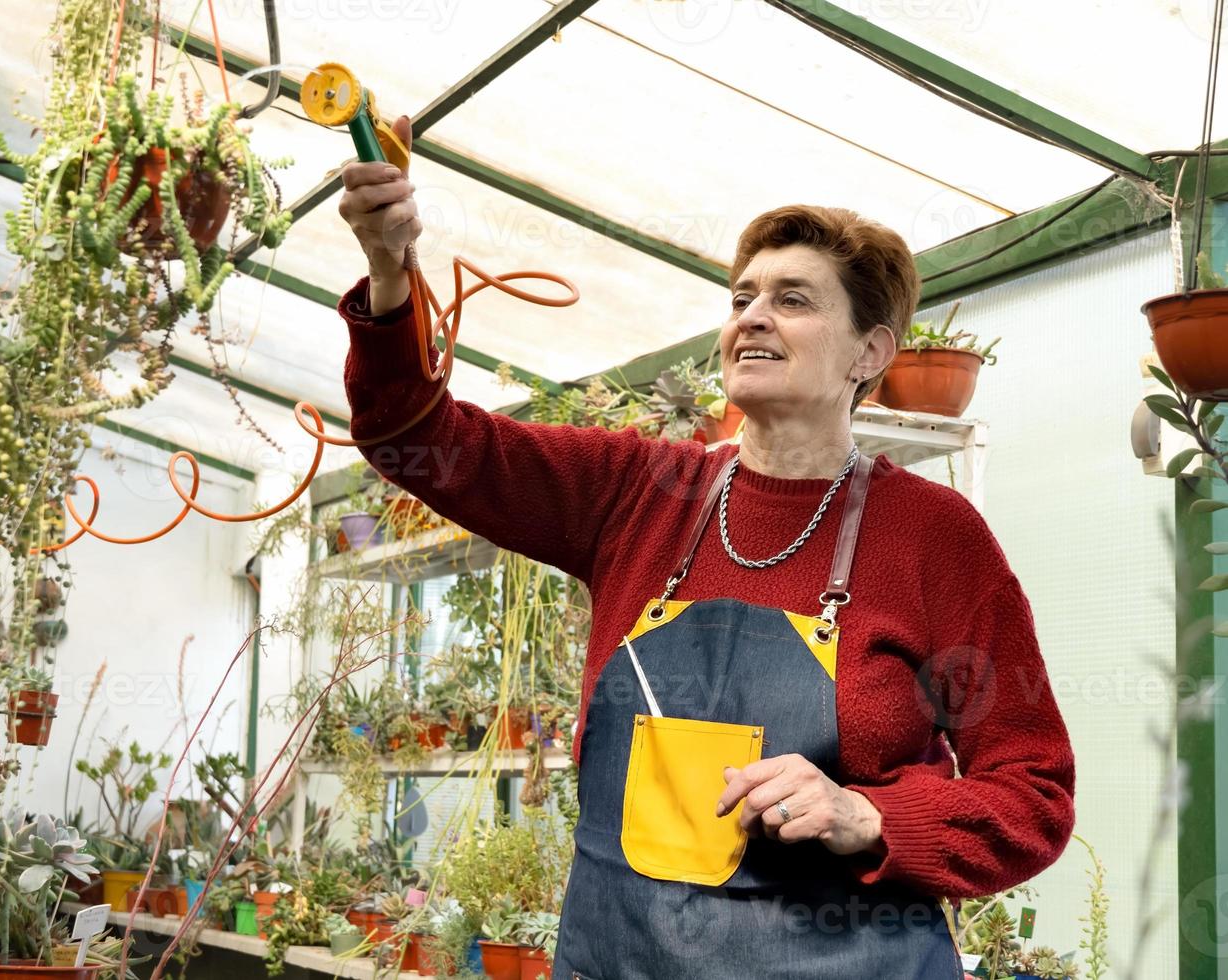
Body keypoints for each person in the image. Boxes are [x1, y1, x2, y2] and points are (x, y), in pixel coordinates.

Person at [335, 117, 1074, 979]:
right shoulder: (636, 493)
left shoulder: (935, 537)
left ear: (869, 352)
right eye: (741, 299)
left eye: (792, 300)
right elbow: (417, 441)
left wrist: (868, 817)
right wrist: (392, 271)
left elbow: (1033, 794)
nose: (752, 318)